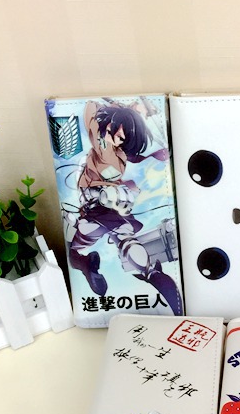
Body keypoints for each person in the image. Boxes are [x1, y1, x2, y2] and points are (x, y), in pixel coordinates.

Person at [69, 99, 182, 312]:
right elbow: (91, 106)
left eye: (123, 137)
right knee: (103, 238)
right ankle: (148, 272)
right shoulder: (101, 141)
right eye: (115, 132)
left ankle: (150, 273)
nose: (118, 138)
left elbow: (129, 154)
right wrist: (121, 108)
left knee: (110, 236)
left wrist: (152, 154)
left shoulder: (117, 152)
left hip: (105, 204)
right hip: (95, 203)